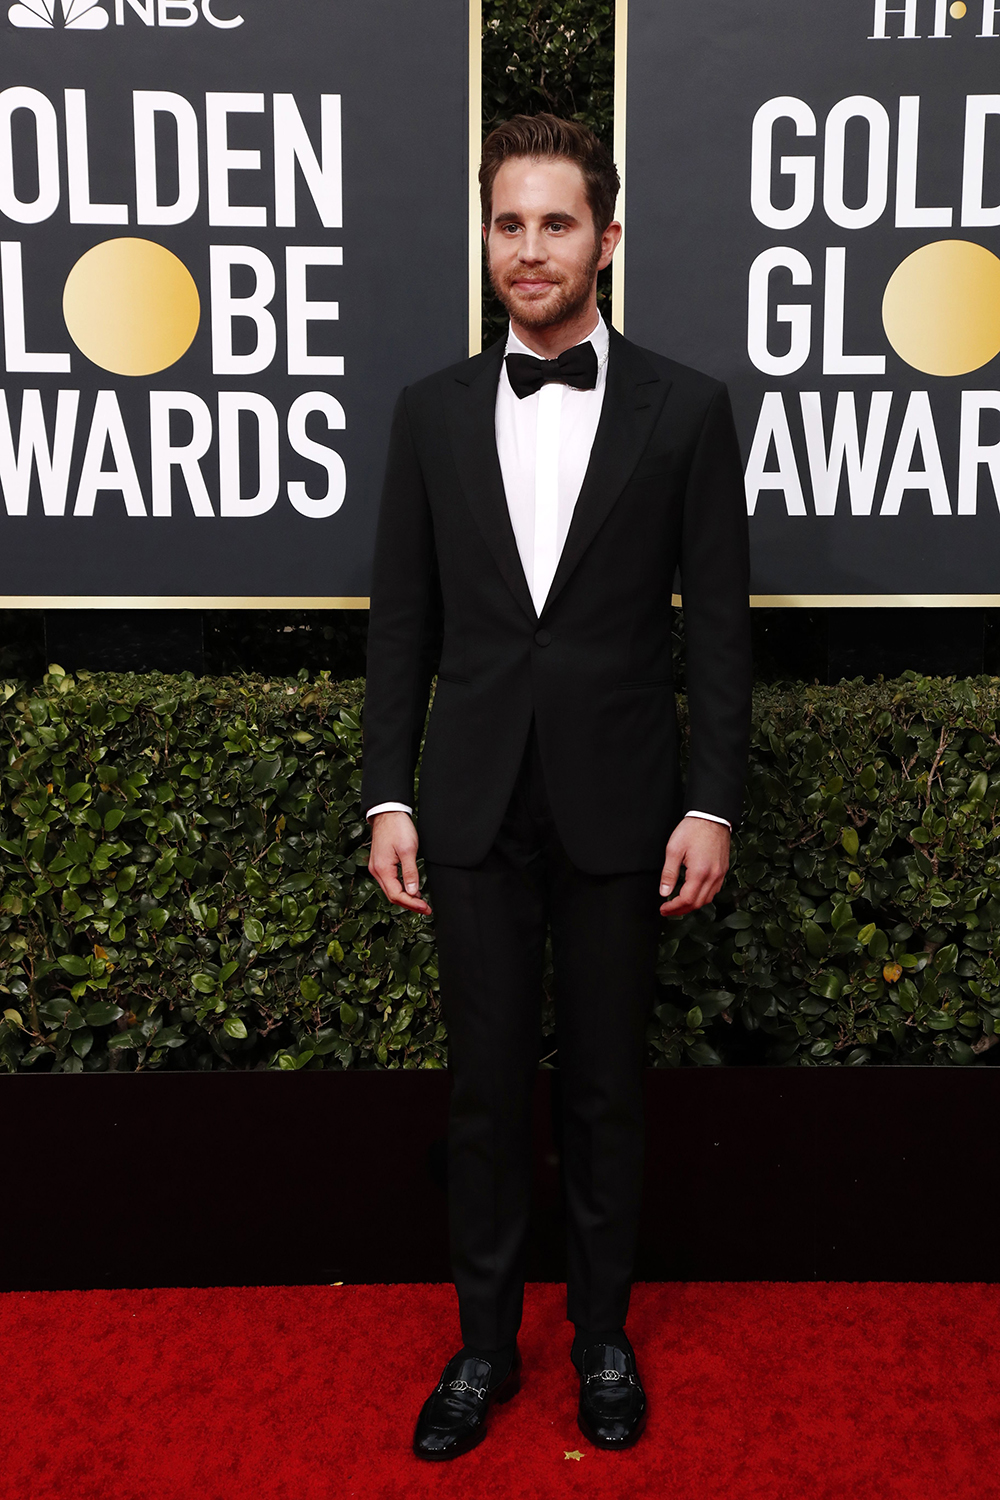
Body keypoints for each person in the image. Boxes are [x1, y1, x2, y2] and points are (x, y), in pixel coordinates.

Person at [362, 113, 752, 1460]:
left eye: (557, 223)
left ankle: (600, 1341)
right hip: (469, 803)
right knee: (482, 1090)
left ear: (608, 239)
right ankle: (480, 1348)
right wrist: (385, 796)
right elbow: (400, 625)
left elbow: (722, 628)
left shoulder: (687, 410)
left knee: (603, 1091)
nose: (531, 249)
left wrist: (709, 803)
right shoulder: (426, 414)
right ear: (488, 239)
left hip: (621, 803)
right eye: (511, 224)